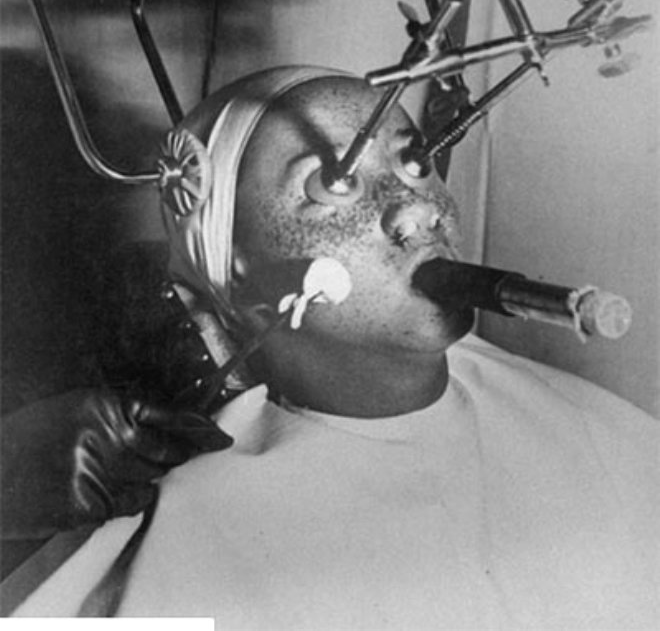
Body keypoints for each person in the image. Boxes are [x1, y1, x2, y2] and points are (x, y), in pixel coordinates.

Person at [9, 66, 659, 627]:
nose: (416, 208)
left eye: (414, 162)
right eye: (331, 184)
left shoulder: (607, 440)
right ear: (235, 274)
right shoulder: (187, 551)